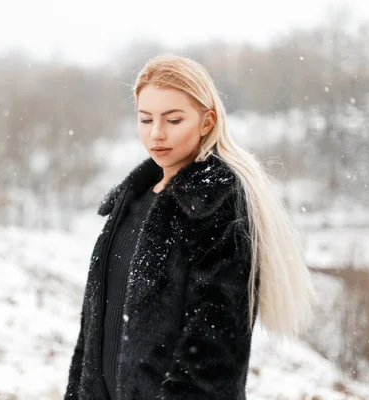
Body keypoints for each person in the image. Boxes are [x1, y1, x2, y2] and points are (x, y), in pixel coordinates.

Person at [64, 54, 315, 400]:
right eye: (145, 119)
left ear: (207, 121)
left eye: (174, 119)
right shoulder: (132, 200)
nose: (156, 134)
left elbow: (215, 349)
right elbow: (92, 332)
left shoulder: (218, 204)